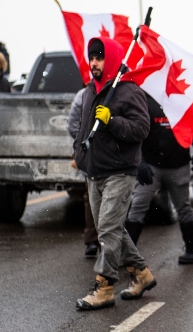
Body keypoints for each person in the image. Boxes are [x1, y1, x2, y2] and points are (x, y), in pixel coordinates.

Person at [73, 36, 155, 310]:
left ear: (111, 59)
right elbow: (83, 128)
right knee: (111, 229)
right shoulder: (89, 90)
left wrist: (113, 120)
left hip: (120, 172)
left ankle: (104, 286)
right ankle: (142, 275)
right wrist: (79, 154)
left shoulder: (128, 90)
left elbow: (142, 128)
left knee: (107, 229)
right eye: (91, 57)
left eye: (99, 57)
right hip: (94, 172)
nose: (94, 62)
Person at [124, 92, 193, 264]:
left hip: (178, 164)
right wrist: (140, 161)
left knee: (183, 207)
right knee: (138, 206)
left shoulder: (182, 98)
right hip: (151, 165)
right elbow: (136, 131)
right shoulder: (144, 99)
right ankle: (127, 255)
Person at [68, 86, 100, 258]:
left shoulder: (116, 92)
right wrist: (86, 139)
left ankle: (110, 244)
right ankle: (92, 242)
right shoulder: (83, 95)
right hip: (90, 156)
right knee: (91, 200)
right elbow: (72, 124)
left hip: (110, 158)